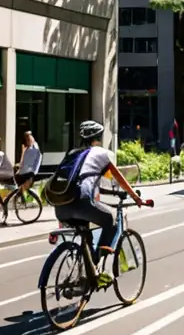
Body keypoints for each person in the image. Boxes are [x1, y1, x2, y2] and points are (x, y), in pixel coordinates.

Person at [52, 120, 146, 285]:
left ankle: (88, 275)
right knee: (110, 220)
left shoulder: (72, 154)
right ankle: (98, 263)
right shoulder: (101, 153)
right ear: (99, 138)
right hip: (81, 202)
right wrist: (136, 197)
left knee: (85, 234)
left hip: (60, 206)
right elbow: (118, 178)